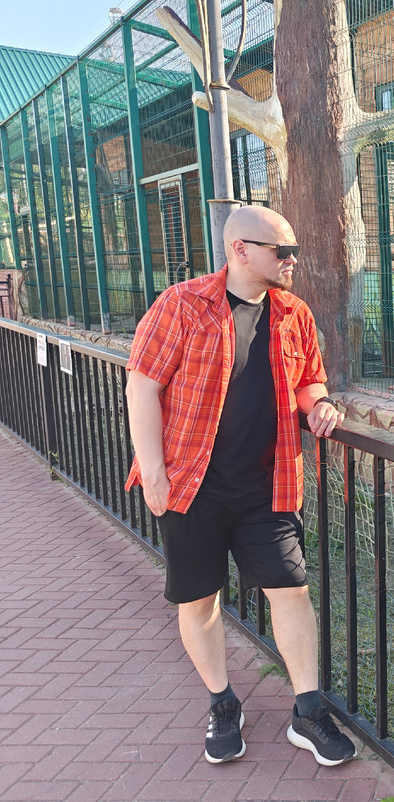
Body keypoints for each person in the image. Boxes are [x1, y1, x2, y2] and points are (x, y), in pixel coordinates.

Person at [125, 205, 356, 766]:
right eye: (282, 251)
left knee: (292, 590)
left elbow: (309, 379)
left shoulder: (294, 312)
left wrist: (320, 404)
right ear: (240, 250)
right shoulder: (182, 305)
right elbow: (142, 387)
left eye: (294, 250)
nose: (292, 259)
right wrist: (152, 471)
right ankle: (222, 703)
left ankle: (308, 711)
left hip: (267, 486)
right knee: (199, 599)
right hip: (191, 485)